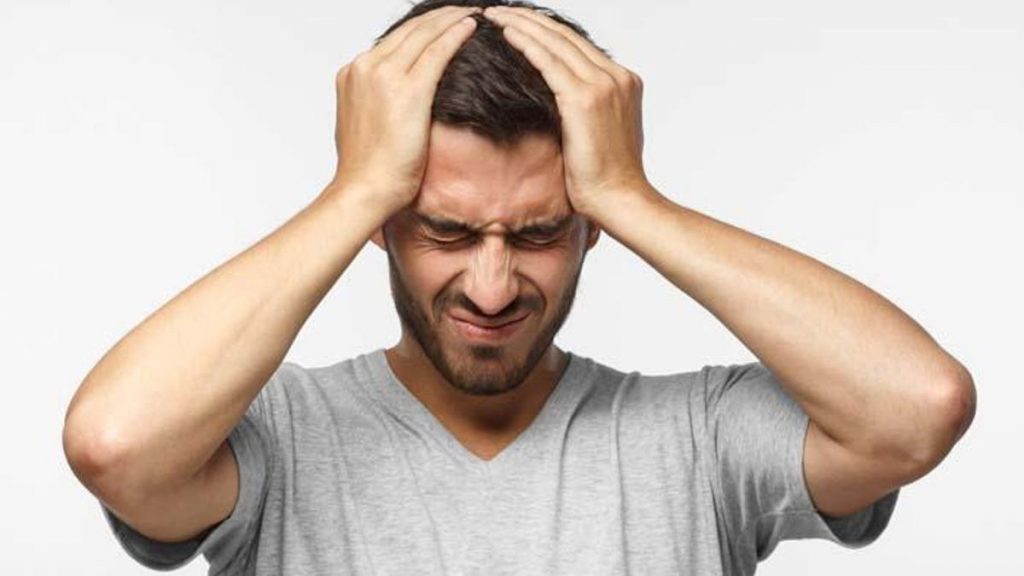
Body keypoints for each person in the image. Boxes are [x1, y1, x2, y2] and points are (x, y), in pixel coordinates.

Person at [63, 1, 976, 574]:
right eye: (447, 232)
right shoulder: (277, 440)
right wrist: (355, 190)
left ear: (591, 229)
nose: (493, 289)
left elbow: (918, 408)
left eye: (538, 234)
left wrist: (632, 196)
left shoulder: (702, 441)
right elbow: (115, 445)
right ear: (381, 223)